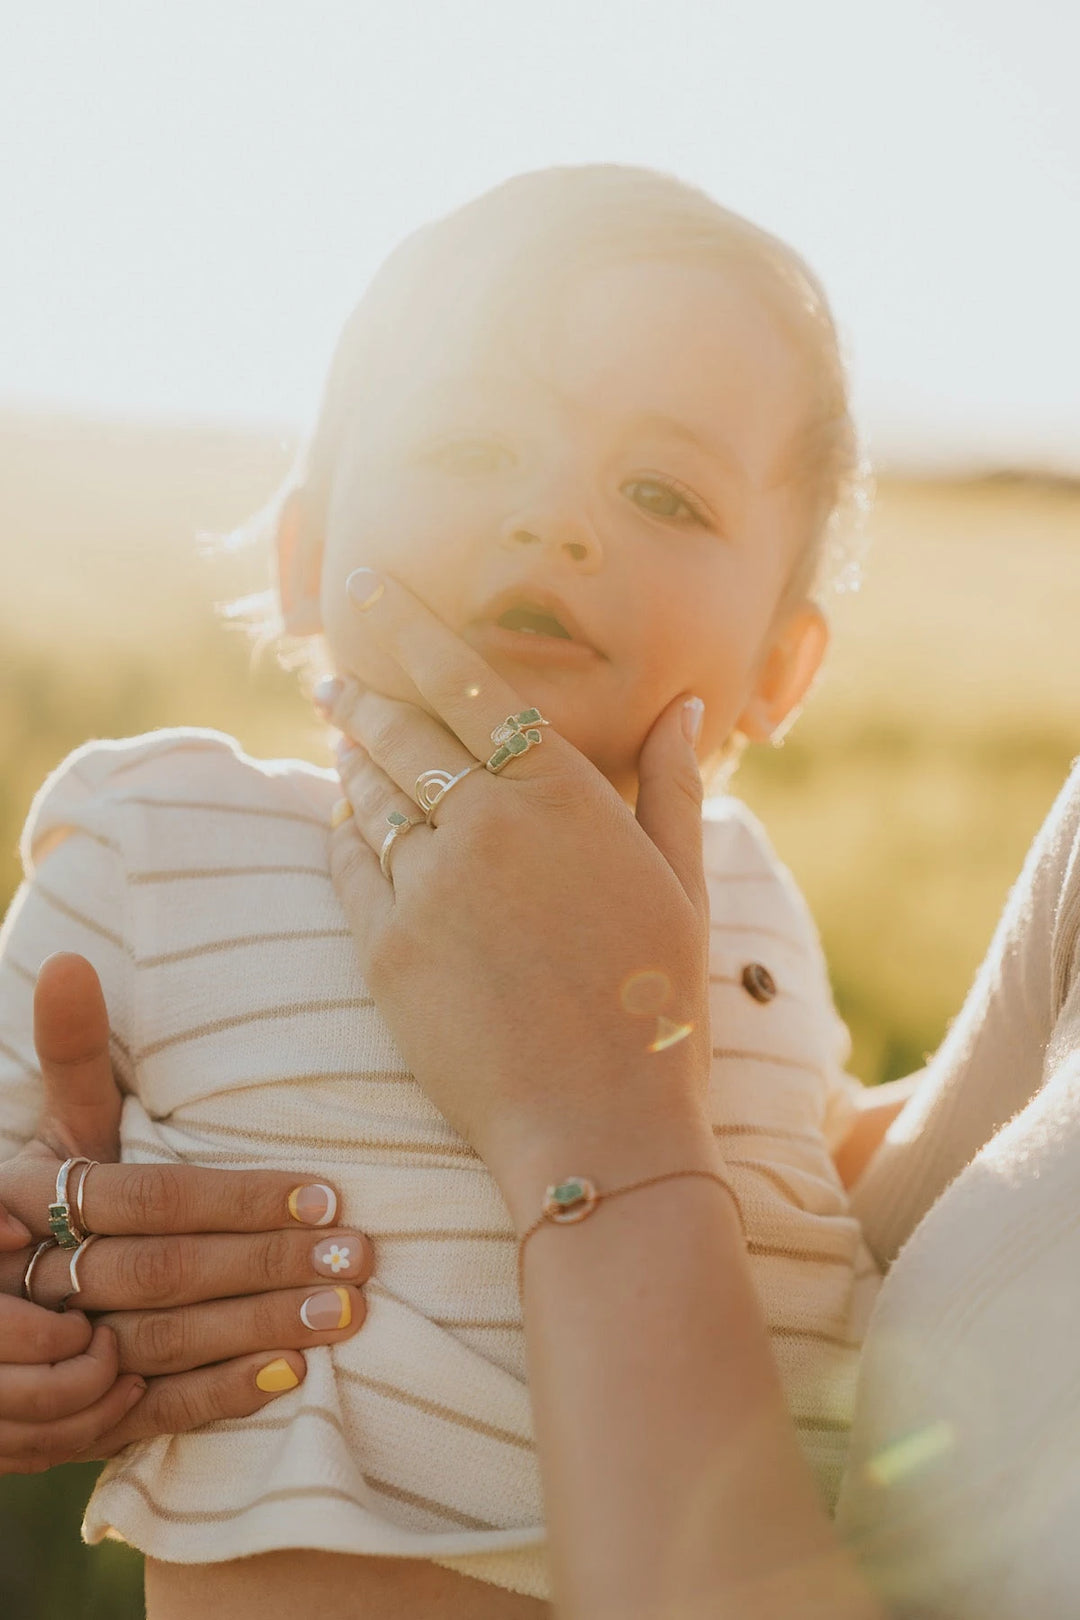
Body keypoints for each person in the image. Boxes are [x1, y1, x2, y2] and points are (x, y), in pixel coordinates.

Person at [0, 164, 883, 1615]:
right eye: (472, 447)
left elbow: (813, 1166)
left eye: (662, 491)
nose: (556, 523)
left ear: (779, 674)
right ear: (305, 558)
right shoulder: (158, 834)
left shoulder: (748, 900)